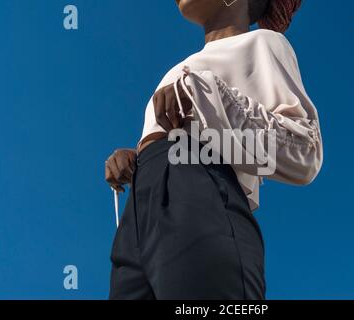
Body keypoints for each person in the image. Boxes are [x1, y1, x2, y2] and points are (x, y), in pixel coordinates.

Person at [105, 0, 323, 300]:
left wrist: (203, 92)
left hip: (203, 199)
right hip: (139, 217)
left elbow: (305, 151)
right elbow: (182, 135)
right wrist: (141, 156)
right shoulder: (181, 67)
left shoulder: (264, 43)